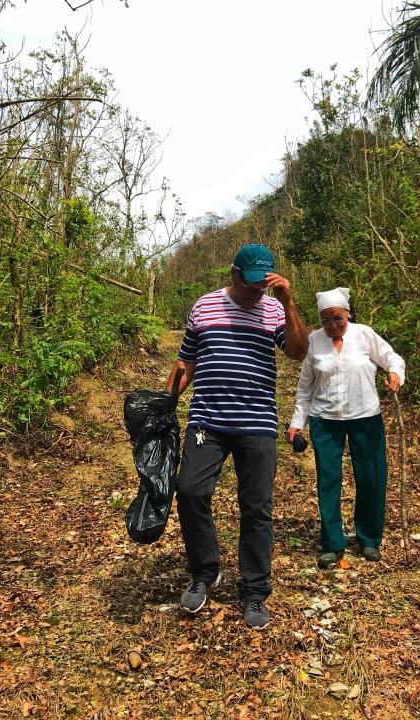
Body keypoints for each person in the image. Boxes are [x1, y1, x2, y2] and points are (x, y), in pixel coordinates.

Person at [166, 244, 307, 630]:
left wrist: (289, 302)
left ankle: (255, 590)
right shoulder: (204, 306)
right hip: (207, 421)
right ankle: (204, 572)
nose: (256, 292)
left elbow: (297, 351)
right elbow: (185, 362)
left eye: (263, 284)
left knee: (256, 506)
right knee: (190, 490)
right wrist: (165, 407)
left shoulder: (275, 308)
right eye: (250, 284)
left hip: (257, 423)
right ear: (233, 274)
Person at [286, 287, 405, 568]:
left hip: (365, 417)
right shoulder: (313, 342)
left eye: (337, 318)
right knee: (328, 480)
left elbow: (392, 357)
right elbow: (305, 389)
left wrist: (394, 373)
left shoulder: (364, 334)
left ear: (347, 314)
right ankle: (332, 543)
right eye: (326, 320)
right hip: (325, 421)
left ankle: (369, 538)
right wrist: (296, 425)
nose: (332, 325)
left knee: (371, 477)